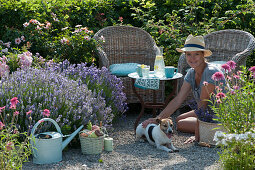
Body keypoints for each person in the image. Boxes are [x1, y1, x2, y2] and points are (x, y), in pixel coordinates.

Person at [142, 34, 226, 143]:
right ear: (185, 56)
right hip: (207, 111)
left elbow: (202, 106)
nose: (192, 58)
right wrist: (157, 119)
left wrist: (197, 136)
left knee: (180, 124)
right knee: (178, 119)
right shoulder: (191, 73)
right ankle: (204, 128)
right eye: (189, 54)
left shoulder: (210, 72)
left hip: (220, 116)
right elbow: (178, 99)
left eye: (196, 54)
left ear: (203, 55)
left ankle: (213, 130)